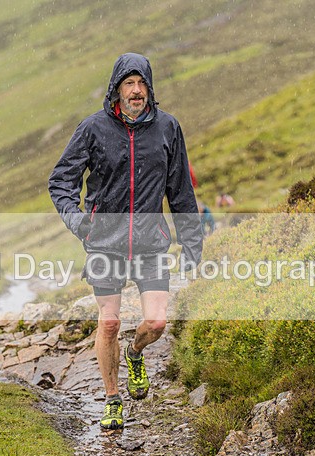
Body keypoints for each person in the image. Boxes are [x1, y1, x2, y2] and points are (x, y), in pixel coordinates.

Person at [49, 53, 203, 431]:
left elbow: (180, 189)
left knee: (156, 321)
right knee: (110, 322)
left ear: (150, 88)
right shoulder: (93, 129)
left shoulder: (168, 128)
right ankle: (112, 398)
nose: (136, 91)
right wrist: (79, 222)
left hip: (150, 244)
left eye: (142, 84)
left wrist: (191, 242)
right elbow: (60, 182)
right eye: (129, 84)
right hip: (105, 243)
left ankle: (135, 353)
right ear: (117, 89)